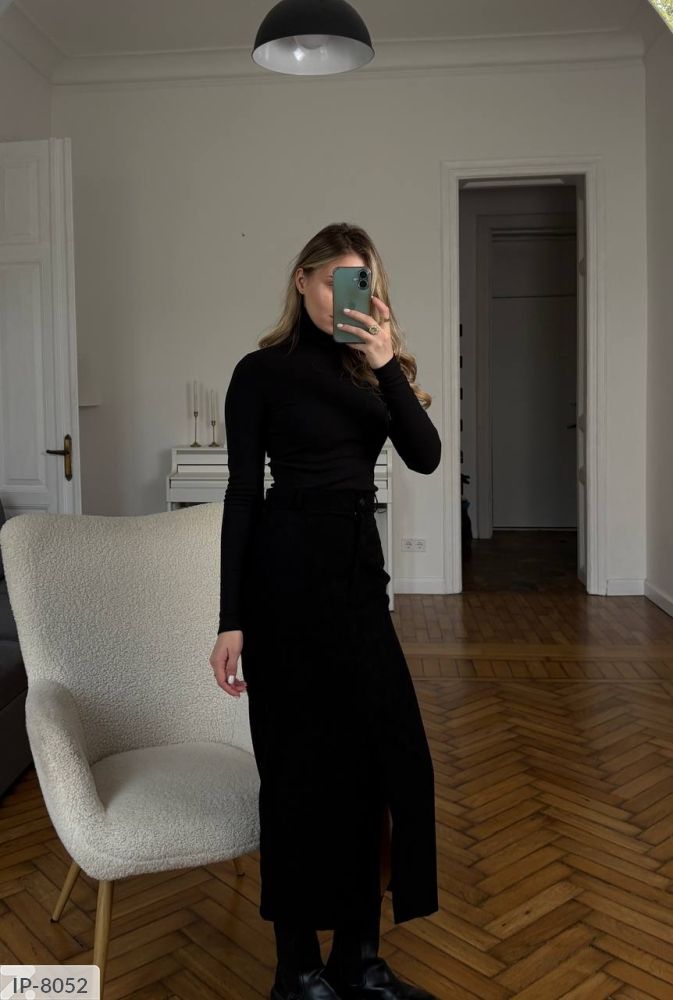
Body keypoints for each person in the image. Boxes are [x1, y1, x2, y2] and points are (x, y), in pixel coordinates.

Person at [209, 222, 441, 1000]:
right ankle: (297, 968)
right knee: (296, 772)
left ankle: (358, 959)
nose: (352, 295)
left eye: (363, 281)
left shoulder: (371, 369)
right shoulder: (259, 373)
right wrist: (229, 617)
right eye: (339, 278)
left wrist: (386, 364)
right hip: (282, 582)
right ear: (304, 280)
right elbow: (242, 495)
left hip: (356, 580)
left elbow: (425, 456)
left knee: (385, 760)